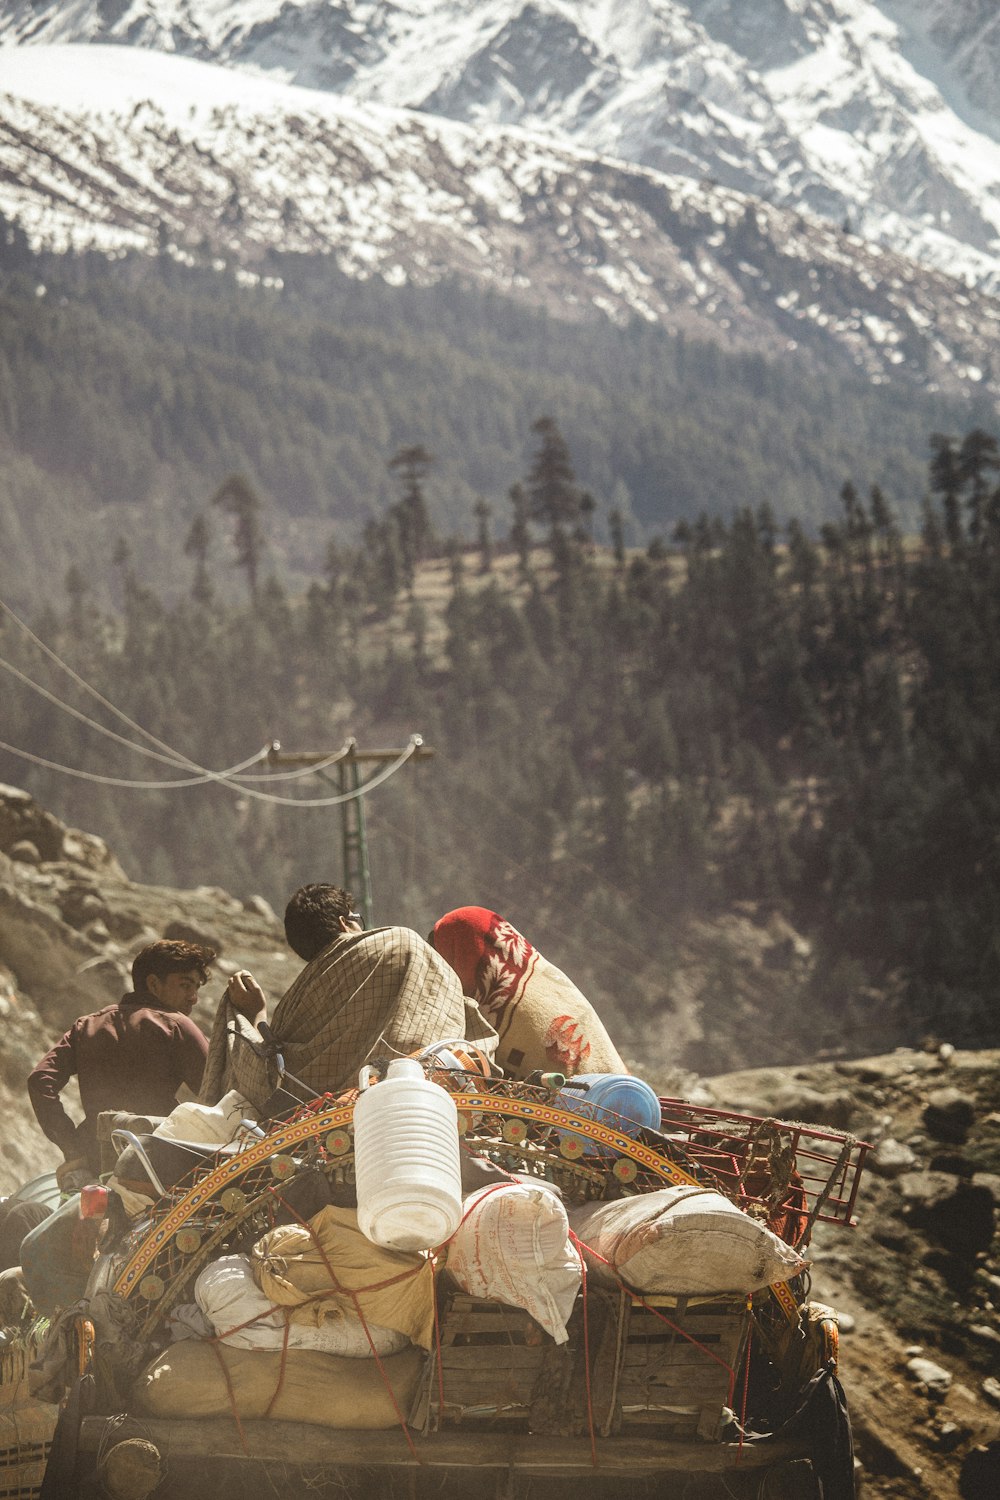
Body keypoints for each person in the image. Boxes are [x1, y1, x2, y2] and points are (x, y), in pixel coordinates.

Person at [199, 884, 497, 1110]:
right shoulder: (400, 944)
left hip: (319, 1125)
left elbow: (275, 1071)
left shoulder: (294, 1000)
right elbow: (458, 1017)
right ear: (345, 922)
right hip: (416, 1103)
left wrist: (256, 1016)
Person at [27, 938, 214, 1186]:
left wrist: (72, 1148)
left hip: (95, 1161)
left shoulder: (88, 1025)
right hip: (157, 1164)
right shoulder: (176, 1025)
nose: (193, 998)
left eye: (196, 988)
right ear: (154, 984)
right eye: (185, 985)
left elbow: (40, 1081)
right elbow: (218, 1090)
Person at [428, 906, 627, 1080]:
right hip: (631, 1096)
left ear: (461, 954)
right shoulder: (545, 976)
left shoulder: (489, 1008)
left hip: (579, 1110)